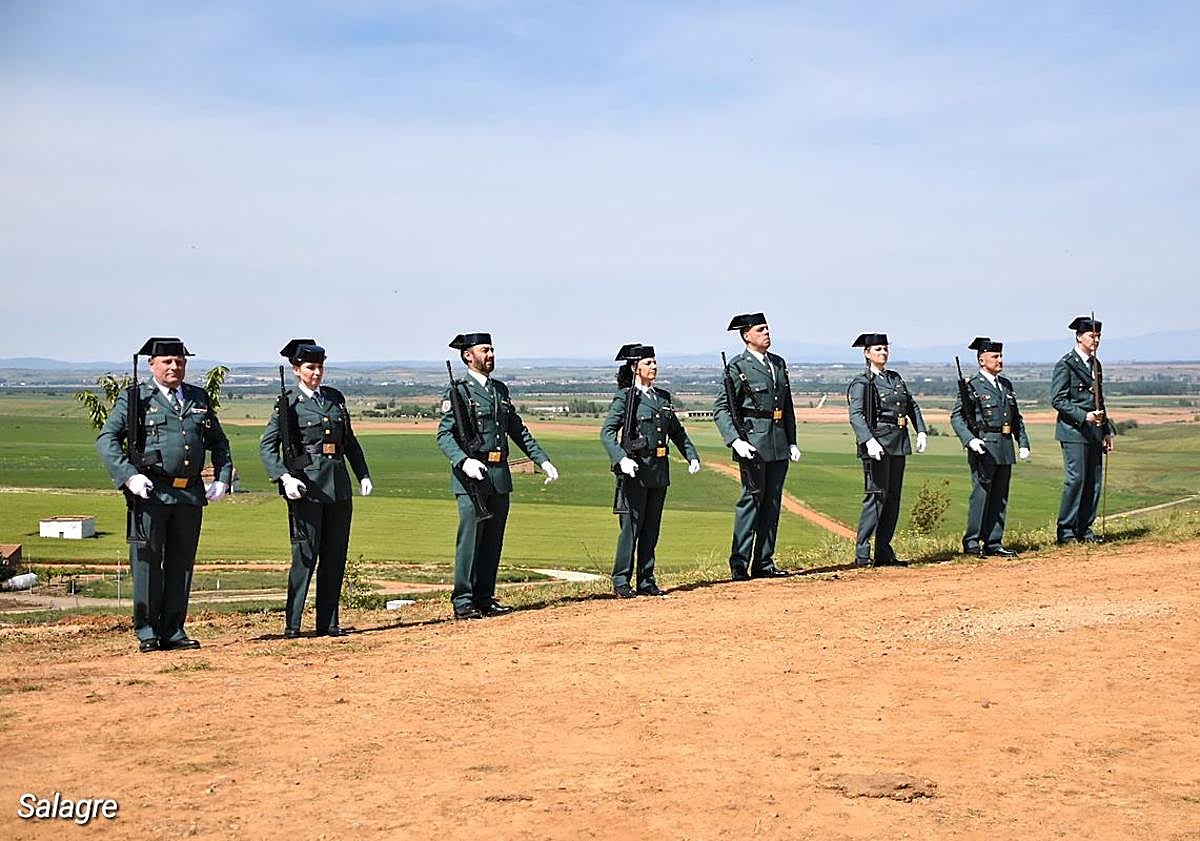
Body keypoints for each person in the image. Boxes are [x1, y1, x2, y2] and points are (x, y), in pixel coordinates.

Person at [97, 337, 232, 652]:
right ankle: (147, 631)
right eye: (168, 362)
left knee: (181, 564)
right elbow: (107, 439)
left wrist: (223, 477)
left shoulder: (198, 397)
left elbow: (219, 442)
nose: (175, 367)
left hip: (188, 495)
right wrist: (129, 476)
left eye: (180, 362)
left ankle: (173, 629)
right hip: (151, 494)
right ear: (152, 365)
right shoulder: (135, 398)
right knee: (146, 563)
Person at [437, 332, 559, 619]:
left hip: (499, 474)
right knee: (470, 538)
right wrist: (463, 461)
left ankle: (484, 597)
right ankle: (463, 599)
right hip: (471, 477)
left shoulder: (500, 391)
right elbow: (444, 435)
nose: (490, 354)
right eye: (484, 350)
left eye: (492, 349)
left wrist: (541, 460)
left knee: (493, 539)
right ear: (469, 355)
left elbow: (518, 430)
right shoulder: (458, 391)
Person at [260, 339, 372, 638]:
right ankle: (293, 623)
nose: (316, 373)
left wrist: (362, 473)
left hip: (337, 486)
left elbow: (349, 442)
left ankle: (328, 622)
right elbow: (268, 447)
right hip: (306, 486)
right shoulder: (288, 403)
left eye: (320, 367)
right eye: (310, 368)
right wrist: (284, 477)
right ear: (296, 370)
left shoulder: (334, 398)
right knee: (305, 556)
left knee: (335, 555)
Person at [600, 343, 701, 598]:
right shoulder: (626, 397)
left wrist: (691, 455)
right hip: (636, 471)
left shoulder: (662, 398)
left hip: (658, 470)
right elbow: (607, 432)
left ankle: (646, 579)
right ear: (635, 368)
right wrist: (621, 458)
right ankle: (622, 580)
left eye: (655, 362)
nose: (653, 367)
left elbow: (677, 432)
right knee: (632, 528)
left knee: (651, 528)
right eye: (648, 363)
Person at [713, 313, 801, 581]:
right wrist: (735, 440)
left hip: (778, 442)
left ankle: (764, 562)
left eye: (767, 328)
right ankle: (739, 563)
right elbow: (722, 408)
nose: (767, 333)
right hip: (753, 442)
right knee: (750, 502)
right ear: (746, 335)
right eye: (761, 329)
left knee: (772, 503)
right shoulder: (738, 366)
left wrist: (792, 440)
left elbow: (786, 407)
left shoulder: (778, 363)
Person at [846, 333, 927, 567]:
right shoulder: (863, 382)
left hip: (898, 442)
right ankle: (863, 552)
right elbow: (856, 415)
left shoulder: (895, 378)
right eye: (878, 349)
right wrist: (868, 440)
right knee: (876, 497)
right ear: (867, 353)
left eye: (885, 349)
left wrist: (920, 430)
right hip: (878, 444)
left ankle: (884, 551)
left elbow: (911, 405)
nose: (883, 353)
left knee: (892, 499)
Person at [950, 337, 1031, 558]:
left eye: (1001, 356)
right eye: (995, 356)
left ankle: (994, 541)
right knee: (981, 495)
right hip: (984, 446)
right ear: (982, 360)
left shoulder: (1005, 385)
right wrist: (970, 440)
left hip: (1004, 447)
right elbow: (957, 417)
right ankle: (972, 541)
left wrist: (1023, 442)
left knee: (1000, 496)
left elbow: (1016, 418)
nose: (1000, 360)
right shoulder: (973, 386)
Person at [1051, 316, 1114, 544]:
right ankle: (1066, 531)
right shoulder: (1066, 364)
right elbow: (1057, 399)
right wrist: (1083, 416)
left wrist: (1106, 429)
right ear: (1079, 337)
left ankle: (1084, 530)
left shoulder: (1096, 365)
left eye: (1098, 336)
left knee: (1093, 482)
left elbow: (1099, 399)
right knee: (1076, 479)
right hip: (1073, 431)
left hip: (1095, 432)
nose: (1096, 340)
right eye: (1091, 336)